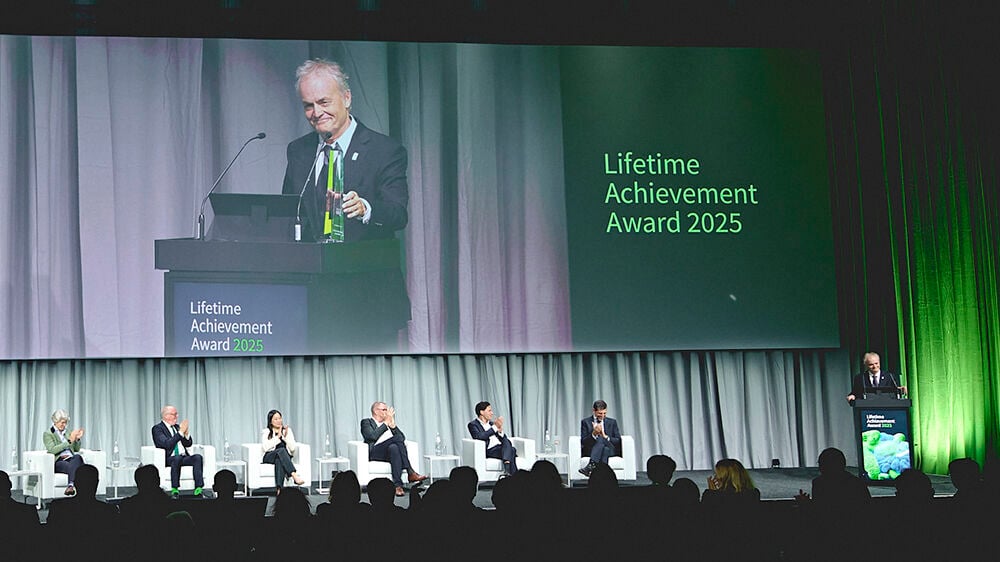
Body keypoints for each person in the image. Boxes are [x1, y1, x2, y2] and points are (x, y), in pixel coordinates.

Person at [281, 58, 408, 243]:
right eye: (308, 105)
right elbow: (288, 212)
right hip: (310, 267)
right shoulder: (298, 150)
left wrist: (365, 208)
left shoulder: (385, 150)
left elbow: (398, 214)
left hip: (364, 267)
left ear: (346, 98)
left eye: (324, 102)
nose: (316, 113)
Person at [361, 401, 426, 496]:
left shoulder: (388, 423)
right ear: (376, 411)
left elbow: (402, 438)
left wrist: (393, 426)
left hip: (389, 453)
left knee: (394, 448)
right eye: (384, 410)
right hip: (375, 452)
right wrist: (386, 423)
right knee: (396, 439)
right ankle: (410, 471)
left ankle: (397, 486)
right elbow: (371, 436)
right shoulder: (366, 422)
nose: (387, 412)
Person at [152, 404, 206, 498]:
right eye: (174, 414)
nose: (177, 416)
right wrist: (180, 433)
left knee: (197, 457)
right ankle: (175, 489)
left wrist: (186, 433)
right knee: (177, 458)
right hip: (170, 458)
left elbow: (188, 443)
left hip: (183, 456)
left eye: (176, 414)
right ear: (166, 416)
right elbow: (166, 444)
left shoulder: (177, 427)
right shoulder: (158, 429)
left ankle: (199, 488)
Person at [467, 401, 518, 475]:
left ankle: (508, 471)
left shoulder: (491, 424)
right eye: (489, 410)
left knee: (508, 443)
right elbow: (479, 437)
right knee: (512, 450)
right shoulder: (473, 425)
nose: (492, 413)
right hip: (489, 450)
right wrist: (495, 427)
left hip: (500, 448)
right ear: (482, 412)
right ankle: (513, 475)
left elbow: (504, 439)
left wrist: (500, 431)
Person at [42, 408, 85, 495]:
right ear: (55, 421)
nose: (64, 425)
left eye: (65, 422)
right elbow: (52, 450)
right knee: (76, 467)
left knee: (77, 457)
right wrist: (68, 442)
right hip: (59, 461)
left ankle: (70, 486)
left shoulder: (68, 432)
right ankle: (73, 487)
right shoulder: (48, 434)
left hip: (71, 459)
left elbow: (76, 449)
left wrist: (77, 439)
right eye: (62, 422)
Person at [261, 409, 306, 488]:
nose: (279, 421)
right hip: (269, 456)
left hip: (282, 457)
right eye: (276, 419)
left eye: (280, 418)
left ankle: (279, 490)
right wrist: (277, 437)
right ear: (270, 421)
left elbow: (292, 448)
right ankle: (294, 475)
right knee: (281, 451)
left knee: (279, 460)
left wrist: (285, 437)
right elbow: (265, 447)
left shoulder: (287, 431)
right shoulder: (267, 432)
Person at [579, 399, 621, 476]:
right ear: (594, 411)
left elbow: (618, 440)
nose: (602, 416)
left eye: (604, 413)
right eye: (600, 413)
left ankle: (591, 465)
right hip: (592, 450)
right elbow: (583, 441)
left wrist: (605, 436)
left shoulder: (612, 422)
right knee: (605, 449)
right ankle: (603, 476)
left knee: (602, 438)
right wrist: (594, 434)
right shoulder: (586, 422)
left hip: (611, 448)